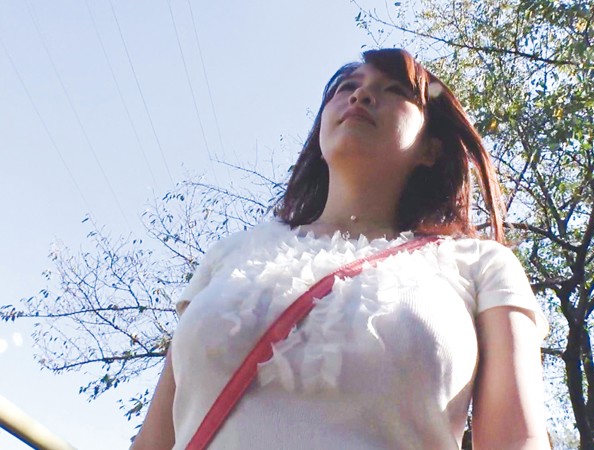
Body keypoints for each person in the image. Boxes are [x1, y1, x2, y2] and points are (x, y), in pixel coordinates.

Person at [131, 48, 550, 450]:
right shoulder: (230, 253)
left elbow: (517, 440)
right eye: (347, 86)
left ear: (430, 149)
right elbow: (154, 441)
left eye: (395, 91)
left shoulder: (482, 265)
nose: (361, 95)